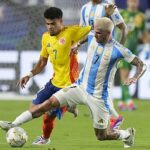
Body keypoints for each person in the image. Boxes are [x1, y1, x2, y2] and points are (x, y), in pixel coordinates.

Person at [0, 17, 147, 148]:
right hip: (80, 87)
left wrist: (135, 77)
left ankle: (126, 134)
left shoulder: (119, 50)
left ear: (109, 33)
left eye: (99, 33)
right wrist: (77, 45)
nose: (94, 35)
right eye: (94, 31)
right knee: (48, 104)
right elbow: (87, 36)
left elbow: (142, 64)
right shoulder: (92, 36)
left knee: (102, 136)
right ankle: (13, 124)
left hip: (98, 97)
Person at [16, 7, 91, 145]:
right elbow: (42, 62)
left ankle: (45, 139)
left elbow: (93, 29)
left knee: (47, 115)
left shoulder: (71, 32)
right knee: (32, 109)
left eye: (53, 24)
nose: (50, 27)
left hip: (69, 86)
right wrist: (29, 74)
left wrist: (79, 43)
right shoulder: (45, 37)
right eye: (48, 24)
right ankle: (70, 106)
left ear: (61, 21)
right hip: (54, 82)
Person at [77, 0, 127, 130]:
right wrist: (76, 44)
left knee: (100, 88)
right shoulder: (84, 8)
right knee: (86, 86)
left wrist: (119, 51)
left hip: (108, 54)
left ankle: (114, 118)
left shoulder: (109, 7)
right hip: (92, 53)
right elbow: (85, 31)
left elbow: (123, 27)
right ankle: (111, 117)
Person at [117, 0, 146, 111]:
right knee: (124, 74)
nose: (133, 3)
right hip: (123, 48)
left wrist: (144, 45)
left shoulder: (141, 16)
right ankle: (129, 100)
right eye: (131, 1)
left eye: (135, 1)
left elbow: (144, 34)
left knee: (127, 74)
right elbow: (115, 30)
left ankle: (122, 101)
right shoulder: (122, 14)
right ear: (128, 2)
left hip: (133, 51)